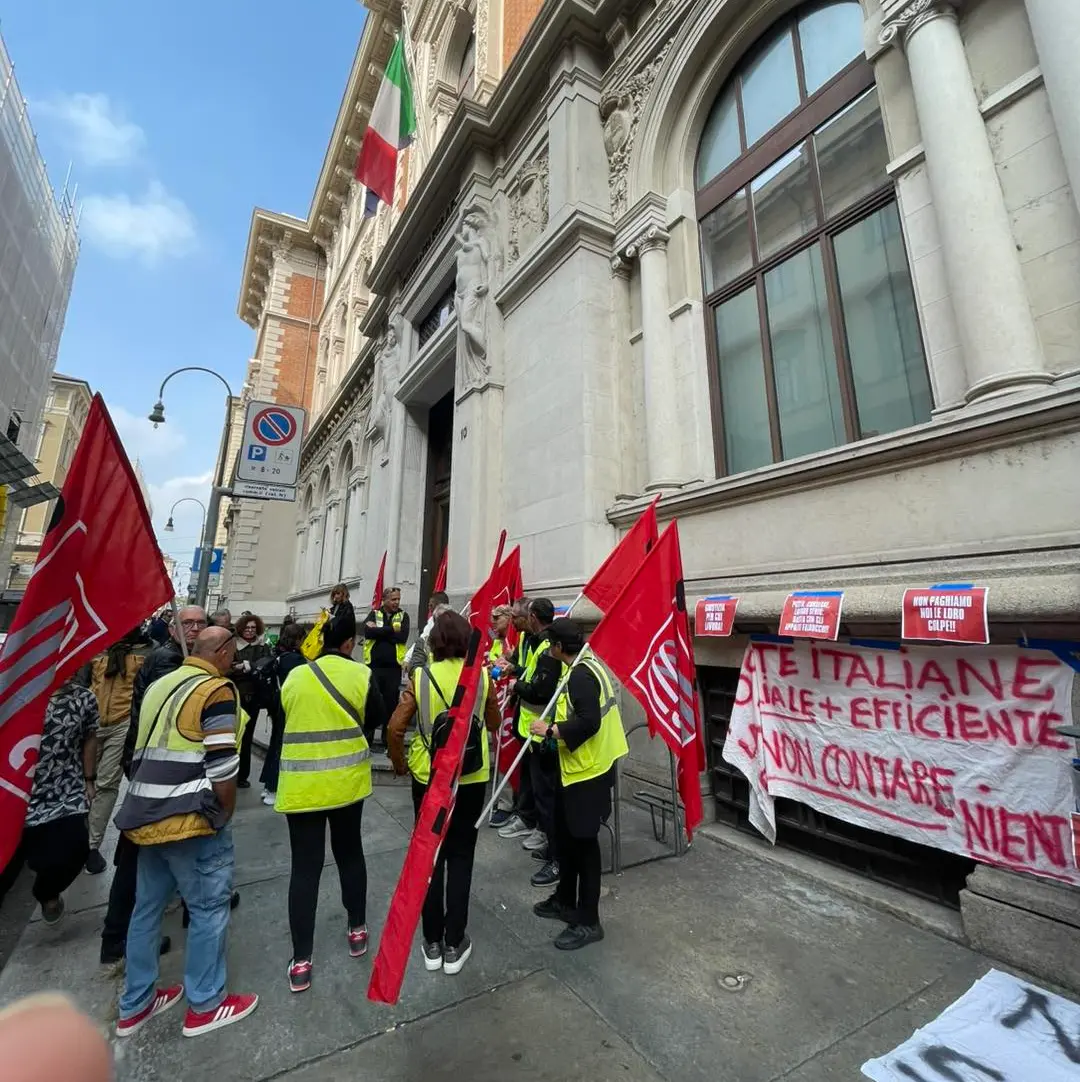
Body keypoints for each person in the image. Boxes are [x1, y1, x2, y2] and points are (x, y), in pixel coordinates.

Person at [114, 626, 257, 1039]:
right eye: (232, 652)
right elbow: (223, 763)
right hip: (190, 817)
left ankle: (135, 1004)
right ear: (224, 652)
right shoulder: (216, 690)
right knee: (209, 909)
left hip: (145, 813)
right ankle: (206, 1004)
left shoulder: (159, 685)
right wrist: (224, 813)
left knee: (146, 910)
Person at [277, 609, 385, 994]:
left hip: (301, 787)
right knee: (350, 854)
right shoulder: (361, 674)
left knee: (304, 869)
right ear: (350, 643)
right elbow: (377, 716)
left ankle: (301, 960)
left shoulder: (295, 675)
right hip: (345, 784)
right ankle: (357, 929)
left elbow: (285, 714)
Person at [387, 610, 501, 975]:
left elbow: (395, 727)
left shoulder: (420, 677)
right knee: (462, 855)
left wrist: (400, 764)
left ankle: (432, 941)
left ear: (434, 642)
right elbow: (495, 721)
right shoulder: (481, 676)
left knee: (429, 857)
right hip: (471, 776)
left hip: (429, 777)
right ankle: (455, 943)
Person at [530, 618, 627, 950]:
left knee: (584, 845)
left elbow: (589, 721)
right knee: (567, 838)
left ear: (559, 647)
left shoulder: (581, 676)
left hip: (588, 771)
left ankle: (588, 921)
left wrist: (551, 730)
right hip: (573, 769)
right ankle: (565, 900)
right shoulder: (580, 666)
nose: (548, 648)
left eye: (550, 644)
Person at [21, 678, 99, 925]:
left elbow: (90, 738)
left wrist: (89, 779)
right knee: (39, 858)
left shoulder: (84, 698)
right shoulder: (20, 698)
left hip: (68, 788)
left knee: (77, 847)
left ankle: (46, 892)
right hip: (25, 794)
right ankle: (48, 892)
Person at [511, 598, 565, 888]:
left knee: (546, 793)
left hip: (544, 733)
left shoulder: (547, 649)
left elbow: (540, 690)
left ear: (532, 616)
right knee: (537, 786)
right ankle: (550, 845)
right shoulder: (536, 643)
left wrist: (516, 685)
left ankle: (554, 851)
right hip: (532, 728)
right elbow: (530, 674)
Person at [85, 629, 148, 874]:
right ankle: (77, 837)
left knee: (107, 784)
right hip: (91, 723)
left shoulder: (145, 650)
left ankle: (91, 845)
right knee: (82, 782)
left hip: (122, 724)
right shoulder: (95, 647)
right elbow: (83, 681)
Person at [496, 598, 539, 839]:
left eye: (515, 617)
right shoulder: (523, 637)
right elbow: (521, 665)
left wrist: (516, 679)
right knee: (527, 773)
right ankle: (524, 815)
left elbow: (536, 679)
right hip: (522, 715)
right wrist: (509, 664)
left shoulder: (544, 643)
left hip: (537, 720)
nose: (512, 621)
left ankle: (533, 821)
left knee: (537, 779)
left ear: (529, 617)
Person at [257, 620, 308, 806]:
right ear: (298, 639)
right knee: (282, 747)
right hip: (288, 707)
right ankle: (273, 787)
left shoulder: (278, 654)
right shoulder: (295, 660)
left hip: (276, 705)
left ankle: (268, 785)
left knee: (275, 744)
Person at [362, 585, 409, 743]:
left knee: (391, 704)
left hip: (393, 668)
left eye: (398, 599)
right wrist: (391, 631)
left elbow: (402, 637)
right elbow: (368, 632)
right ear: (384, 600)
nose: (396, 602)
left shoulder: (403, 616)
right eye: (393, 599)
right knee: (371, 703)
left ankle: (386, 739)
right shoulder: (374, 613)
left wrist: (379, 631)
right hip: (374, 667)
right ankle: (368, 738)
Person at [231, 613, 271, 790]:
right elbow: (226, 666)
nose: (250, 631)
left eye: (253, 628)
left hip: (253, 698)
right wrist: (239, 668)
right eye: (247, 627)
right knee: (232, 737)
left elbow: (267, 666)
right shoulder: (233, 645)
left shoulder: (262, 647)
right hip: (234, 696)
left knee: (247, 737)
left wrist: (251, 667)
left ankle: (242, 776)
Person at [485, 604, 515, 828]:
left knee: (510, 754)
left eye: (497, 617)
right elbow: (491, 668)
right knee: (500, 752)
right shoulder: (495, 641)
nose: (493, 622)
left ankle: (508, 803)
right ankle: (503, 799)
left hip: (513, 706)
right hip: (498, 703)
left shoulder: (517, 642)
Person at [404, 590, 449, 674]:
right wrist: (408, 658)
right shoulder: (431, 621)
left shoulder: (456, 625)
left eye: (431, 605)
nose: (429, 608)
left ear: (440, 606)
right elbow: (422, 640)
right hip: (434, 669)